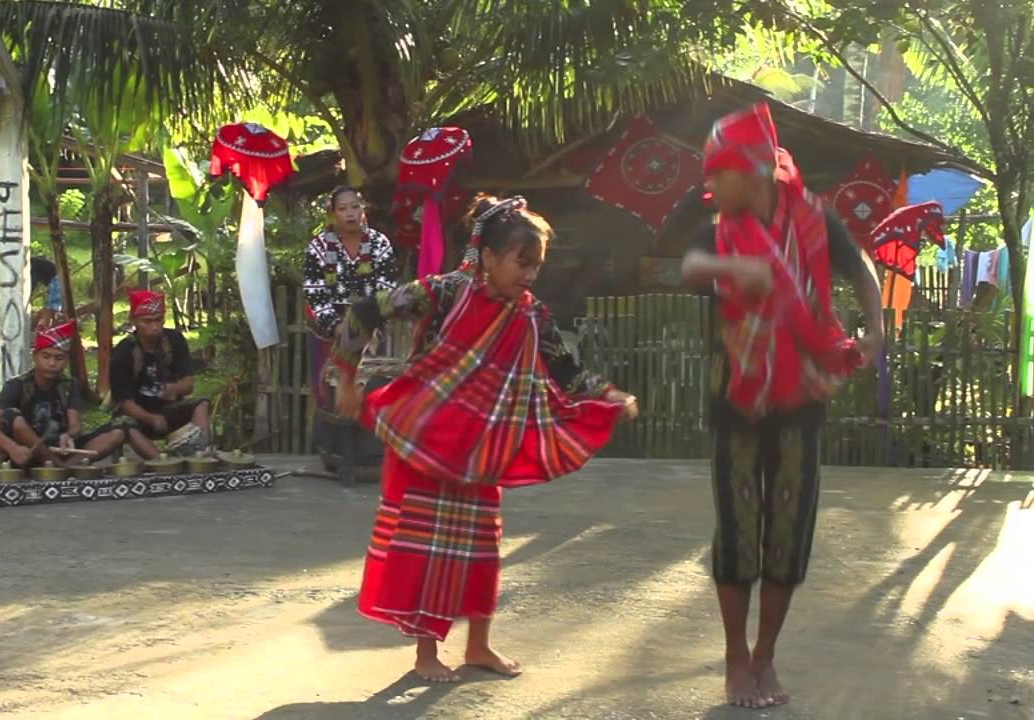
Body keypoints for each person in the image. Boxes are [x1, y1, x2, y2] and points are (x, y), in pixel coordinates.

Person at [332, 195, 638, 683]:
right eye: (523, 263)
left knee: (479, 549)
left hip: (481, 449)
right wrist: (346, 381)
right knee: (427, 546)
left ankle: (478, 646)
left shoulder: (530, 315)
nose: (531, 275)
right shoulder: (446, 292)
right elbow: (367, 310)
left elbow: (565, 369)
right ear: (489, 258)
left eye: (536, 265)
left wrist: (610, 395)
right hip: (425, 440)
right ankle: (426, 654)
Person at [679, 103, 885, 708]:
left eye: (720, 173)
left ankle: (765, 655)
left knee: (787, 538)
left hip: (801, 404)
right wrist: (737, 265)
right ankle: (734, 658)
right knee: (738, 535)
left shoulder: (817, 221)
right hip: (734, 404)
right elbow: (692, 268)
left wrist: (874, 328)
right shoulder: (718, 229)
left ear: (755, 171)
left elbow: (861, 269)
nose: (711, 186)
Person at [301, 186, 398, 408]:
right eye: (343, 208)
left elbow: (386, 289)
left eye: (355, 207)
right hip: (328, 336)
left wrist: (365, 329)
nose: (350, 213)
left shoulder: (379, 243)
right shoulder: (318, 248)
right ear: (332, 213)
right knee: (328, 400)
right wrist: (340, 329)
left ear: (364, 210)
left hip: (371, 336)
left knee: (370, 397)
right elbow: (314, 293)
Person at [0, 320, 123, 469]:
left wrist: (68, 435)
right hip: (26, 452)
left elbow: (75, 426)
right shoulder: (17, 385)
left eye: (59, 358)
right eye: (46, 357)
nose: (52, 363)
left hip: (59, 449)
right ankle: (61, 468)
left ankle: (62, 467)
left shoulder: (69, 385)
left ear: (66, 360)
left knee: (117, 432)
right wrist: (12, 448)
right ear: (35, 357)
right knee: (14, 417)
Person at [96, 289, 209, 460]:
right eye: (147, 321)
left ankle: (201, 453)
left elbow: (188, 383)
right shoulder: (124, 352)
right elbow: (124, 402)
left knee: (201, 404)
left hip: (169, 410)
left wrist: (174, 388)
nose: (155, 327)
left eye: (159, 320)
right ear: (133, 320)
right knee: (123, 425)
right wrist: (150, 418)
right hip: (136, 415)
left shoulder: (174, 340)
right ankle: (163, 463)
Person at [32, 256, 64, 330]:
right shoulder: (36, 261)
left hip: (56, 280)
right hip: (56, 280)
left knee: (50, 309)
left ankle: (47, 329)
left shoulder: (32, 265)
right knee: (51, 308)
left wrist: (30, 294)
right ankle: (46, 327)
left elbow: (34, 280)